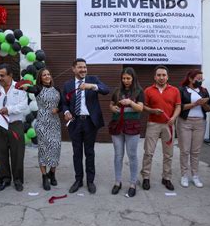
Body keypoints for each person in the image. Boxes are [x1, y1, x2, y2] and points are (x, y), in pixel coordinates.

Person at [62, 58, 109, 194]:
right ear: (73, 69)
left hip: (90, 122)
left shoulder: (93, 79)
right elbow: (64, 102)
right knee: (77, 152)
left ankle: (90, 181)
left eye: (85, 67)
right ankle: (78, 180)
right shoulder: (68, 84)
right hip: (75, 122)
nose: (83, 70)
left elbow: (106, 90)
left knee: (89, 152)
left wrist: (91, 86)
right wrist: (66, 111)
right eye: (80, 67)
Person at [0, 63, 28, 192]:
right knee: (1, 153)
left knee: (18, 154)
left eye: (2, 75)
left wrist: (8, 109)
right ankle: (4, 179)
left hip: (15, 125)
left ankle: (18, 180)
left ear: (10, 76)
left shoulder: (19, 88)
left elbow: (23, 105)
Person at [18, 68, 62, 191]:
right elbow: (30, 88)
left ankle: (52, 173)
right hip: (42, 123)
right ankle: (44, 176)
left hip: (55, 123)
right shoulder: (38, 88)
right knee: (43, 149)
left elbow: (63, 104)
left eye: (48, 74)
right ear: (40, 78)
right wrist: (25, 87)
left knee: (55, 148)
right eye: (44, 75)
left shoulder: (57, 89)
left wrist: (58, 109)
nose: (47, 76)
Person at [140, 65, 181, 191]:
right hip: (153, 124)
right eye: (159, 75)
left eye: (164, 75)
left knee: (168, 154)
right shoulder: (148, 90)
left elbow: (178, 106)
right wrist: (152, 110)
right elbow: (143, 107)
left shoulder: (175, 90)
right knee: (148, 152)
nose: (161, 77)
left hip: (169, 125)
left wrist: (174, 118)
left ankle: (166, 178)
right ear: (155, 77)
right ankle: (146, 177)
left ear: (167, 77)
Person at [109, 67, 144, 197]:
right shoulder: (117, 91)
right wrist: (113, 108)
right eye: (123, 78)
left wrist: (130, 102)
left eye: (128, 78)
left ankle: (133, 183)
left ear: (133, 78)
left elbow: (140, 108)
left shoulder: (139, 91)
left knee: (132, 155)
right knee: (118, 155)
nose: (125, 81)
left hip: (132, 127)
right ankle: (118, 182)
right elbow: (111, 105)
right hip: (117, 126)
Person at [177, 69, 210, 188]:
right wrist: (194, 104)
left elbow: (209, 109)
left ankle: (195, 175)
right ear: (191, 79)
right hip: (185, 122)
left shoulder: (204, 91)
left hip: (200, 123)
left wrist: (204, 104)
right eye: (198, 79)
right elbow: (179, 107)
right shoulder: (182, 90)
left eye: (202, 79)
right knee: (185, 150)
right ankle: (184, 175)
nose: (200, 81)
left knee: (196, 151)